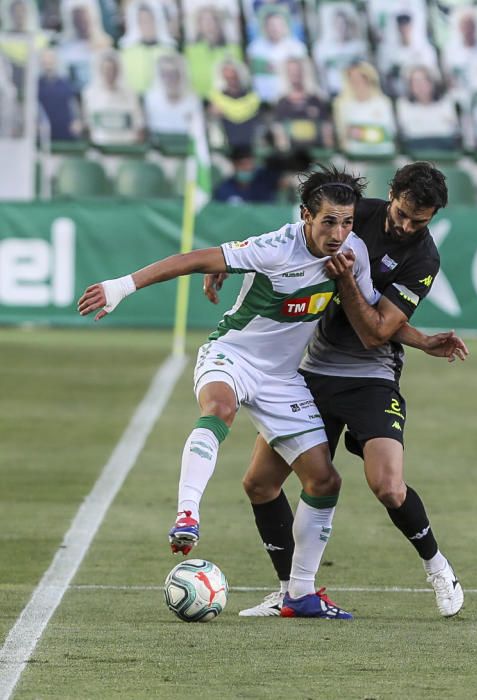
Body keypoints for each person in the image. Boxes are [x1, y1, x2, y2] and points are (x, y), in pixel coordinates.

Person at [77, 165, 384, 619]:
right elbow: (197, 259)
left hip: (282, 378)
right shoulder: (275, 247)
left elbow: (374, 319)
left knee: (325, 481)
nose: (338, 233)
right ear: (305, 216)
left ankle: (298, 594)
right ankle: (187, 515)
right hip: (232, 355)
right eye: (328, 222)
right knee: (219, 409)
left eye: (347, 222)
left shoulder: (353, 253)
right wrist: (121, 286)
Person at [206, 162, 467, 619]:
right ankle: (290, 590)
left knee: (388, 486)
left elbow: (376, 333)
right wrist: (233, 263)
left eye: (419, 221)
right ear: (391, 194)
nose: (407, 227)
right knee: (259, 484)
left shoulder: (423, 257)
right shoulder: (350, 212)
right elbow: (294, 237)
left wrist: (348, 280)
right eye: (403, 214)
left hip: (371, 375)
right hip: (311, 371)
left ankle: (439, 567)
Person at [212, 145, 280, 204]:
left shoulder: (264, 186)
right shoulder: (224, 189)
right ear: (234, 165)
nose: (246, 168)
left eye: (249, 164)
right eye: (242, 164)